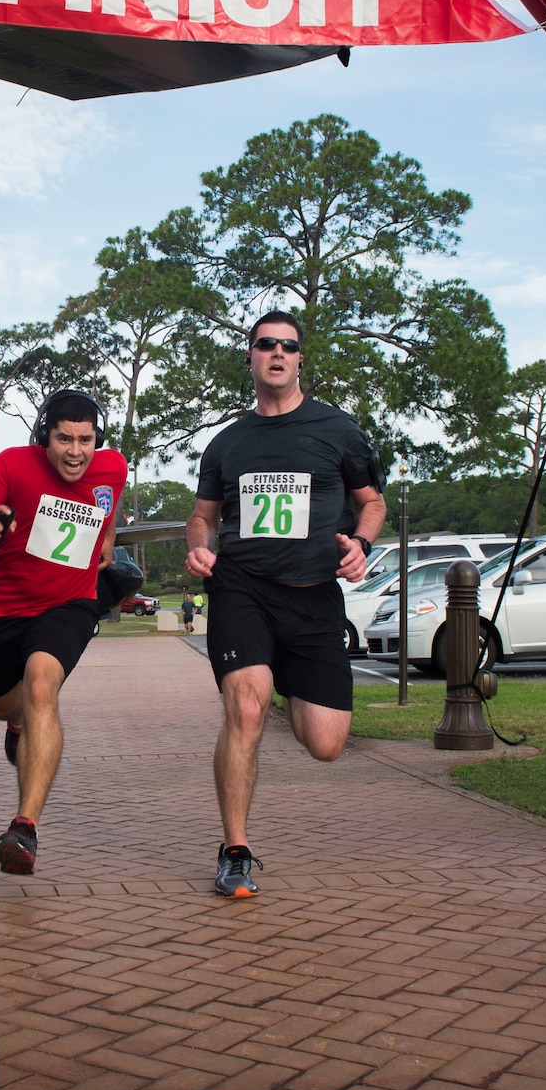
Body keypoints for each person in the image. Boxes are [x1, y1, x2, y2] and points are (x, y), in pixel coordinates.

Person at [185, 310, 386, 898]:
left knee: (325, 743)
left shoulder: (338, 430)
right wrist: (199, 550)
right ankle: (236, 850)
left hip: (313, 596)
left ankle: (282, 683)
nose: (276, 353)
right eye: (265, 344)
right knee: (245, 710)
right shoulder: (227, 443)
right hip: (243, 588)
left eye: (288, 346)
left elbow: (371, 502)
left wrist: (363, 544)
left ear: (300, 359)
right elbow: (203, 518)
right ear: (249, 357)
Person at [0, 390, 128, 876]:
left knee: (41, 684)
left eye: (85, 439)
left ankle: (24, 828)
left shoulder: (112, 468)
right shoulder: (13, 464)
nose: (75, 451)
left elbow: (108, 512)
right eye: (63, 439)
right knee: (2, 704)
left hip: (69, 605)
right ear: (44, 437)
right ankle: (15, 726)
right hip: (3, 610)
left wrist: (108, 542)